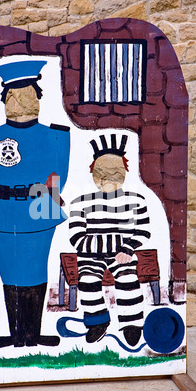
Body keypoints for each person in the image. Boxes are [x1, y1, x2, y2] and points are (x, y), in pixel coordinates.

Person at [0, 59, 70, 348]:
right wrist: (6, 192)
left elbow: (57, 174)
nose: (20, 100)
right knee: (10, 271)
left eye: (27, 93)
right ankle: (16, 335)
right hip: (1, 212)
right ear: (4, 100)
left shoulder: (54, 134)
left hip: (41, 209)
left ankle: (32, 333)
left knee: (36, 269)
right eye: (13, 95)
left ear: (37, 96)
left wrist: (39, 193)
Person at [69, 133, 151, 347]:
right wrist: (112, 242)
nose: (107, 179)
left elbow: (142, 231)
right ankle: (97, 322)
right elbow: (77, 237)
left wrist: (127, 249)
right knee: (87, 281)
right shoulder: (81, 202)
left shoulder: (135, 201)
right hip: (90, 256)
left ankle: (132, 323)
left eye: (115, 173)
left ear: (124, 172)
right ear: (93, 173)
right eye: (101, 173)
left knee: (127, 280)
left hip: (123, 255)